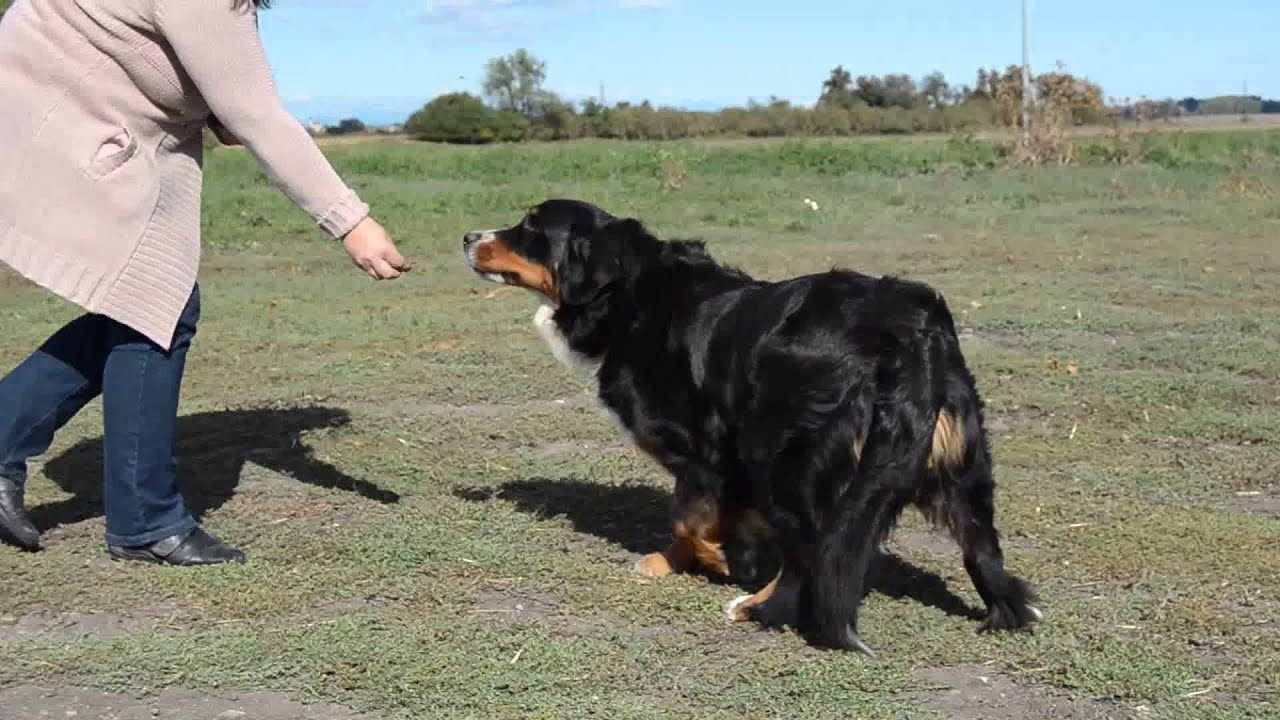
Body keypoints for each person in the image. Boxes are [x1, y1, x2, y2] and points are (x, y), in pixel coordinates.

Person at [0, 0, 412, 565]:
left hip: (53, 110)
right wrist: (351, 222)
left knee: (143, 306)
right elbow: (259, 117)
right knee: (157, 305)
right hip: (66, 122)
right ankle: (145, 522)